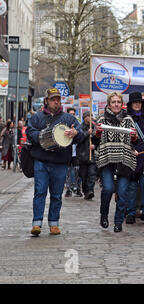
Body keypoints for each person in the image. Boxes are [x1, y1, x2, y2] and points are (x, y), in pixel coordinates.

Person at [26, 88, 85, 236]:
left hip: (60, 162)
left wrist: (75, 133)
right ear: (46, 101)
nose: (56, 102)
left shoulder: (69, 119)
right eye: (53, 99)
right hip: (41, 160)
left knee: (57, 194)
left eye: (58, 99)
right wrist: (41, 136)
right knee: (40, 192)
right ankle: (36, 223)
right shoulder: (37, 117)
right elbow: (29, 132)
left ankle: (54, 223)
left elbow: (80, 134)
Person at [92, 91, 138, 233]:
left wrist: (134, 137)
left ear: (122, 104)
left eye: (118, 102)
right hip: (107, 158)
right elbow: (95, 141)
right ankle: (104, 214)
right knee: (108, 189)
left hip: (124, 159)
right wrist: (97, 134)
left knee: (123, 192)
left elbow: (134, 141)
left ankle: (118, 222)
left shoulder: (128, 119)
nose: (116, 104)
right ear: (109, 104)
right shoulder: (101, 119)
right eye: (113, 102)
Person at [126, 92, 144, 224]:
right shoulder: (126, 118)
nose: (137, 104)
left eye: (140, 102)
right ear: (131, 104)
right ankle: (131, 212)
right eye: (135, 102)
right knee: (132, 186)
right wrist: (131, 149)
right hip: (131, 154)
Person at [77, 110, 97, 200]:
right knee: (83, 176)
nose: (90, 117)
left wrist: (95, 145)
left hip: (92, 156)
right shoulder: (80, 127)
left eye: (91, 116)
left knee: (92, 174)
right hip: (83, 155)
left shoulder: (94, 127)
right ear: (84, 118)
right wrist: (86, 134)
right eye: (89, 116)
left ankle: (90, 190)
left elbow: (98, 139)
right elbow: (78, 139)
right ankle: (85, 191)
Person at [64, 108, 82, 197]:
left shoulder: (77, 124)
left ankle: (77, 188)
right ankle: (68, 188)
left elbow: (82, 135)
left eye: (74, 114)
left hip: (76, 152)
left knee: (77, 171)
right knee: (68, 171)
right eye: (71, 114)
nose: (72, 115)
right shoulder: (65, 124)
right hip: (68, 152)